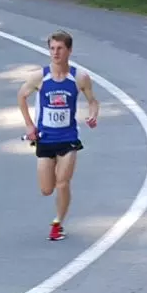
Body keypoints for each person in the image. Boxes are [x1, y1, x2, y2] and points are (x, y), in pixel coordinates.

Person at [17, 30, 100, 241]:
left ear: (69, 51)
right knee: (46, 189)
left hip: (68, 138)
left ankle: (58, 223)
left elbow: (93, 100)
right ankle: (58, 214)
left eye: (60, 48)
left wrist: (93, 116)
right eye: (52, 48)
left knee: (62, 183)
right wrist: (29, 125)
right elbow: (21, 96)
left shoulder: (79, 77)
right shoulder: (40, 77)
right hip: (45, 138)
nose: (55, 53)